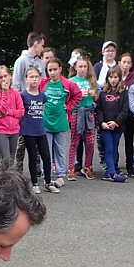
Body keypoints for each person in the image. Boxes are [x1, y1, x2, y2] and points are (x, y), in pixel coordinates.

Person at [39, 57, 81, 188]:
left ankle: (61, 174)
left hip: (61, 122)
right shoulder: (43, 83)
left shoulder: (67, 84)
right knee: (45, 150)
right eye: (49, 70)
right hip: (45, 122)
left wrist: (68, 106)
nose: (52, 72)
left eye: (55, 69)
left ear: (60, 69)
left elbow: (78, 95)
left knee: (60, 150)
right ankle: (45, 174)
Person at [20, 66, 59, 193]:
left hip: (40, 129)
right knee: (32, 156)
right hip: (28, 130)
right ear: (26, 79)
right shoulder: (23, 95)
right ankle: (35, 183)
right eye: (31, 77)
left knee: (46, 157)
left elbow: (43, 109)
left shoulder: (42, 96)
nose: (34, 79)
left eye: (36, 77)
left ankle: (48, 182)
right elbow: (21, 112)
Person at [11, 32, 46, 173]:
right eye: (42, 46)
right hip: (23, 105)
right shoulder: (21, 61)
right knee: (22, 140)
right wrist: (18, 103)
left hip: (36, 105)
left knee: (36, 137)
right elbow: (16, 83)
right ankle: (17, 170)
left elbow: (43, 83)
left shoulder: (39, 63)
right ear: (35, 44)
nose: (43, 49)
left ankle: (36, 169)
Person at [95, 64, 128, 182]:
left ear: (119, 78)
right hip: (105, 126)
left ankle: (109, 171)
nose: (113, 80)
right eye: (111, 77)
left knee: (114, 148)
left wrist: (116, 122)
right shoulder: (103, 93)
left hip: (117, 126)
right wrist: (102, 122)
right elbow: (99, 109)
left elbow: (125, 110)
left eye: (115, 77)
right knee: (108, 147)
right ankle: (113, 174)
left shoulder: (123, 93)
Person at [67, 54, 97, 180]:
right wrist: (79, 95)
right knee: (75, 141)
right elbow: (68, 98)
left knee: (90, 141)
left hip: (89, 112)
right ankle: (71, 169)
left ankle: (87, 166)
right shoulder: (72, 81)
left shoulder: (89, 80)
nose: (83, 69)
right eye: (80, 66)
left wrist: (93, 94)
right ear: (75, 67)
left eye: (85, 66)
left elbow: (96, 97)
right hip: (76, 112)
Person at [0, 65, 24, 161]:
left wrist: (9, 112)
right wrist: (5, 92)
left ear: (10, 76)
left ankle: (10, 176)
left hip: (14, 129)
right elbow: (2, 109)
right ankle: (4, 176)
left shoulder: (16, 93)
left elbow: (21, 112)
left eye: (5, 76)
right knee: (6, 158)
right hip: (2, 130)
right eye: (0, 77)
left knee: (12, 158)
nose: (4, 79)